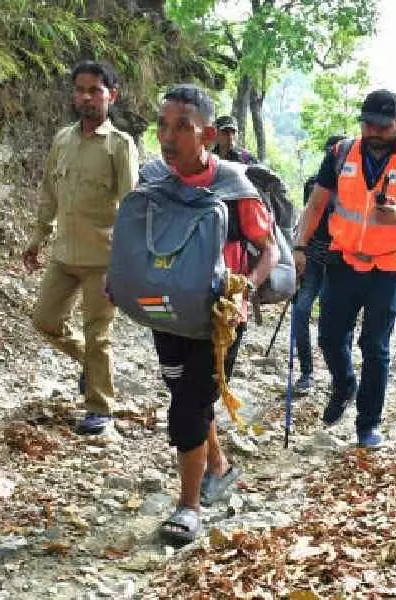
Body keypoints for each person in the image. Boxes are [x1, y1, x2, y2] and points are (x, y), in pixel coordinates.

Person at [146, 84, 276, 544]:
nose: (168, 136)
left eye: (182, 127)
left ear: (206, 134)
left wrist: (246, 293)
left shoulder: (234, 188)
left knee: (189, 404)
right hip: (164, 311)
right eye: (163, 125)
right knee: (185, 390)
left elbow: (269, 251)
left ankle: (189, 506)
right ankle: (218, 465)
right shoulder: (154, 182)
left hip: (220, 313)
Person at [292, 89, 396, 448]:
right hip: (342, 261)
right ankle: (344, 384)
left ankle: (367, 423)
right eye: (368, 124)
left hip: (388, 269)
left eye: (382, 126)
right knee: (328, 336)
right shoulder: (341, 153)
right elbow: (315, 206)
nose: (374, 132)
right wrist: (299, 247)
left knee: (374, 346)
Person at [23, 60, 138, 435]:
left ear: (111, 96)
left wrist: (127, 261)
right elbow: (49, 194)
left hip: (101, 259)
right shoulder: (62, 139)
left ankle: (100, 408)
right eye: (80, 90)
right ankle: (90, 367)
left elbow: (131, 206)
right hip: (63, 254)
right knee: (45, 320)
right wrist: (37, 238)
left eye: (94, 90)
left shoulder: (119, 146)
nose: (85, 97)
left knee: (98, 334)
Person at [292, 134, 346, 395]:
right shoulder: (312, 184)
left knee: (334, 319)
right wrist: (298, 250)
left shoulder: (356, 188)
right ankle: (306, 372)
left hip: (340, 262)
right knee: (300, 312)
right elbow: (308, 216)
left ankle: (339, 375)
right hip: (313, 257)